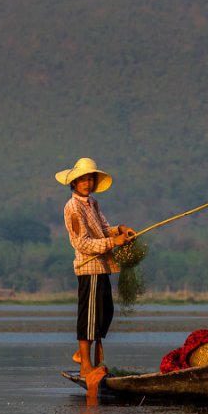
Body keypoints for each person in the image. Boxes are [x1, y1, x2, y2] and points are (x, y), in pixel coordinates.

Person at [56, 157, 135, 378]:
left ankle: (83, 355)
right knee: (89, 317)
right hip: (88, 267)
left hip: (102, 266)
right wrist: (113, 242)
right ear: (74, 182)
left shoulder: (91, 203)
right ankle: (85, 366)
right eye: (82, 179)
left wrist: (120, 230)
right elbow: (81, 243)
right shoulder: (72, 208)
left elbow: (103, 228)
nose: (87, 183)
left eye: (90, 179)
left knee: (105, 313)